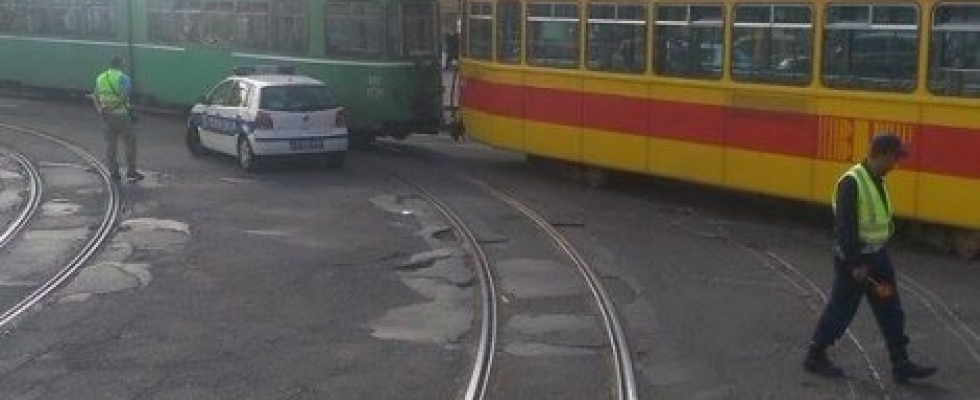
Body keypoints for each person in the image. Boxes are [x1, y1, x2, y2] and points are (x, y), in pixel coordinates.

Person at [804, 133, 937, 383]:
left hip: (878, 261)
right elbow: (845, 228)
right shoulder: (852, 182)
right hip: (857, 265)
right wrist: (855, 263)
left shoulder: (877, 181)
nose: (896, 164)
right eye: (895, 158)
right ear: (882, 154)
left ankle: (901, 364)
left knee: (890, 309)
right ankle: (815, 355)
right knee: (842, 310)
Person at [93, 55, 142, 182]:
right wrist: (114, 107)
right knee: (130, 143)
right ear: (121, 64)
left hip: (106, 115)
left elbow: (95, 95)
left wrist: (99, 109)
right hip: (121, 115)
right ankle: (131, 171)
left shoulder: (100, 77)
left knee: (110, 145)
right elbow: (124, 95)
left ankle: (114, 172)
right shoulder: (123, 78)